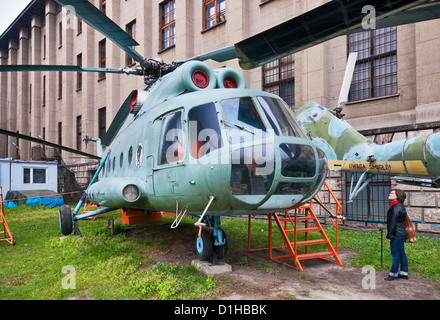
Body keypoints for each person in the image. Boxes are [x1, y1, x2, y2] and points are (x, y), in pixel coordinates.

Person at [384, 189, 409, 281]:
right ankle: (403, 273)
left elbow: (393, 223)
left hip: (396, 234)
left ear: (397, 196)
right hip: (401, 233)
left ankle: (393, 274)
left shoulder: (395, 207)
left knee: (395, 254)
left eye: (392, 193)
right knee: (402, 253)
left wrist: (389, 236)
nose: (390, 194)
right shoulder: (399, 206)